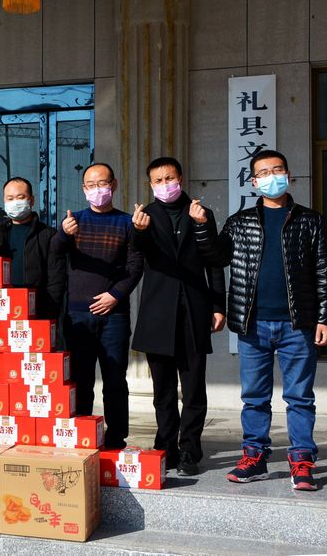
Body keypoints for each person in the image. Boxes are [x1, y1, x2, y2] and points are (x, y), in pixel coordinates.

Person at [192, 149, 327, 491]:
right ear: (254, 182)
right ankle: (254, 458)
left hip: (297, 324)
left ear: (289, 175)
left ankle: (302, 461)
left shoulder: (311, 221)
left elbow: (325, 273)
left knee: (300, 397)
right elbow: (216, 256)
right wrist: (202, 226)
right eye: (264, 173)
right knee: (254, 397)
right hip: (252, 324)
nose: (273, 177)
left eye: (278, 170)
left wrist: (324, 317)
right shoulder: (240, 222)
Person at [130, 157, 226, 476]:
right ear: (150, 184)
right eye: (158, 180)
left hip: (194, 311)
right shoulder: (145, 216)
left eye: (169, 178)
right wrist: (139, 231)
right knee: (164, 390)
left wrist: (218, 305)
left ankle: (190, 451)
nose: (164, 184)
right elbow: (139, 252)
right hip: (158, 314)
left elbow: (213, 262)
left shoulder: (200, 212)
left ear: (180, 178)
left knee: (194, 388)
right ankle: (165, 447)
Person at [50, 163, 143, 450]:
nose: (97, 190)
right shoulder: (73, 220)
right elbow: (55, 253)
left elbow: (135, 265)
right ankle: (83, 435)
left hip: (114, 314)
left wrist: (115, 295)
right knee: (81, 379)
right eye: (91, 185)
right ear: (83, 189)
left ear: (113, 185)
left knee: (115, 380)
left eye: (102, 184)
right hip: (78, 314)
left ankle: (116, 439)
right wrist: (64, 234)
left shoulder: (127, 222)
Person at [0, 176, 65, 320]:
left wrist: (50, 313)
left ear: (32, 200)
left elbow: (56, 278)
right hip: (0, 309)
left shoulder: (48, 235)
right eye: (10, 198)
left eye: (20, 197)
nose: (15, 202)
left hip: (37, 310)